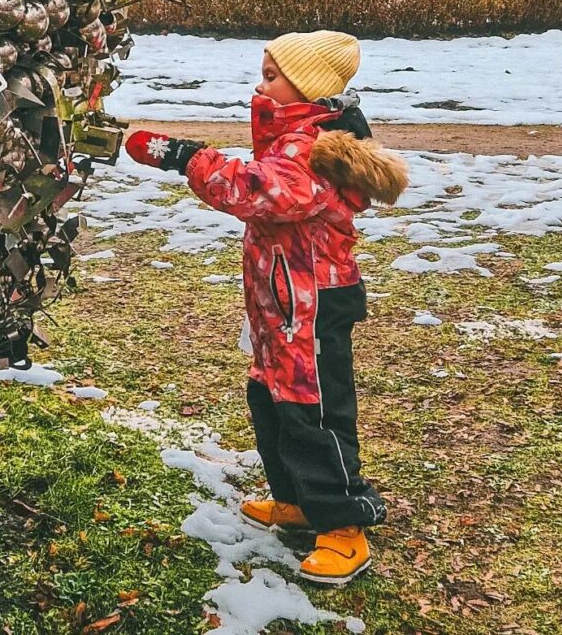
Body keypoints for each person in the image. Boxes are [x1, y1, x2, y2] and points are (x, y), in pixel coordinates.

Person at [125, 30, 408, 586]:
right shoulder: (294, 136)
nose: (261, 84)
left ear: (307, 85)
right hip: (282, 304)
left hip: (314, 303)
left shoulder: (316, 148)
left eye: (273, 76)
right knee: (272, 399)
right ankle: (300, 502)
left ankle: (344, 525)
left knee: (314, 412)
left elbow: (257, 190)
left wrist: (184, 157)